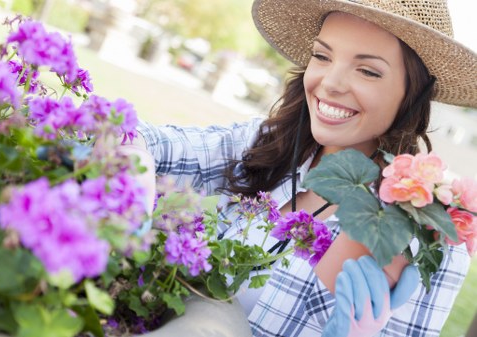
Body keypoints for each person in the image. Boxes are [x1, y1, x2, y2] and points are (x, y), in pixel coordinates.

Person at [122, 0, 477, 336]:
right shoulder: (262, 145)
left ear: (413, 94)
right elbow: (130, 136)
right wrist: (135, 171)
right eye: (322, 56)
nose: (331, 83)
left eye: (368, 71)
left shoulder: (429, 236)